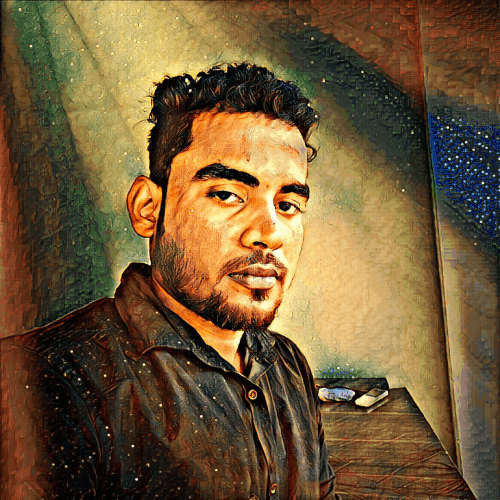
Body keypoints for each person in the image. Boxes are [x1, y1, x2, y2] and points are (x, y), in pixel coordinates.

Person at [0, 63, 339, 499]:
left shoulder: (288, 364)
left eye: (288, 204)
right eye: (227, 195)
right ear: (147, 208)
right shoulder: (42, 381)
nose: (269, 233)